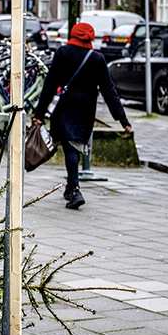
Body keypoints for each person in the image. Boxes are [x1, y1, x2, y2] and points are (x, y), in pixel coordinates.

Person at [32, 22, 132, 210]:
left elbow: (50, 85)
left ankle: (75, 190)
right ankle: (71, 187)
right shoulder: (97, 58)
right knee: (74, 145)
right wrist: (122, 119)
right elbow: (109, 91)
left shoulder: (63, 53)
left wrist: (40, 114)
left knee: (69, 147)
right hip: (85, 109)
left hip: (64, 106)